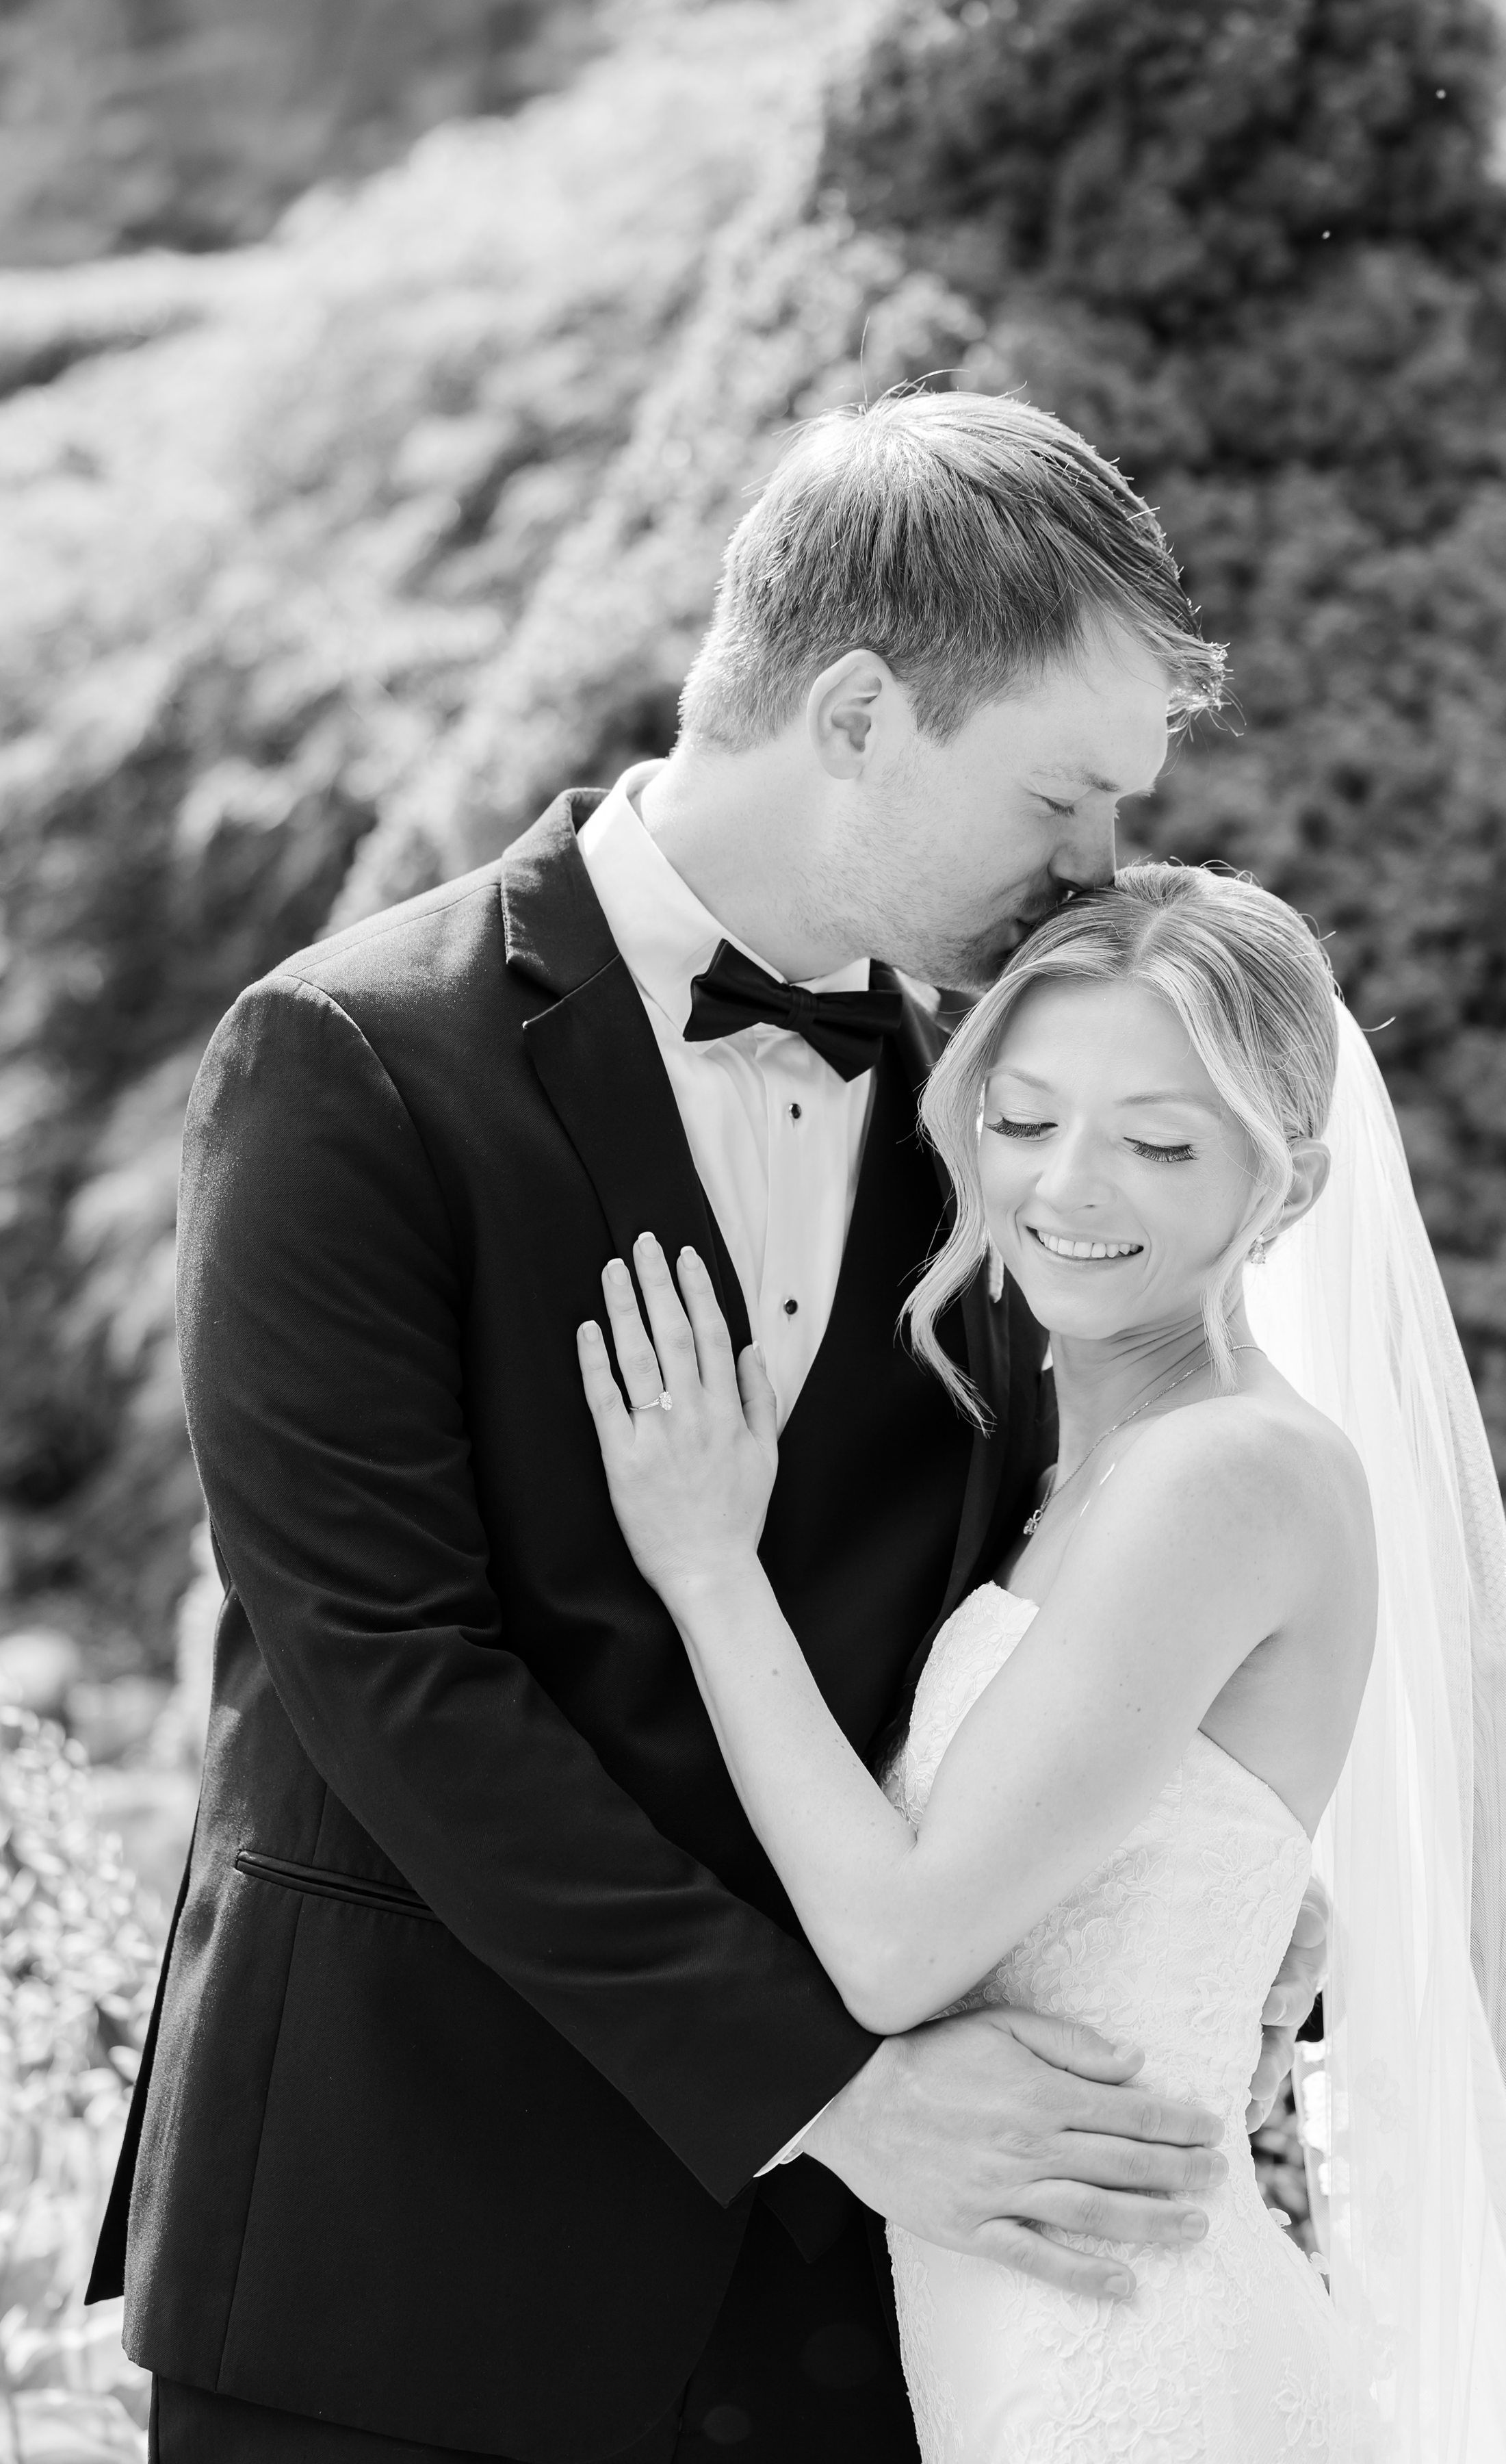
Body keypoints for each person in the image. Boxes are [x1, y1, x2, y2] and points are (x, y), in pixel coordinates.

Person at [88, 390, 1327, 2464]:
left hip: (851, 2312)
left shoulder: (1012, 1122)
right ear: (855, 716)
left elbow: (1077, 1572)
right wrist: (837, 2091)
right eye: (1060, 798)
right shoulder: (347, 1063)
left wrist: (1237, 1867)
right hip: (402, 2255)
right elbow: (393, 1679)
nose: (1101, 872)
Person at [579, 867, 1506, 2461]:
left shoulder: (1221, 1478)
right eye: (1021, 1121)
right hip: (1016, 2332)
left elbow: (895, 1951)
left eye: (1159, 1141)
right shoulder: (1078, 1460)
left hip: (1122, 2367)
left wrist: (707, 1566)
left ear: (1283, 1187)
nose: (1069, 1186)